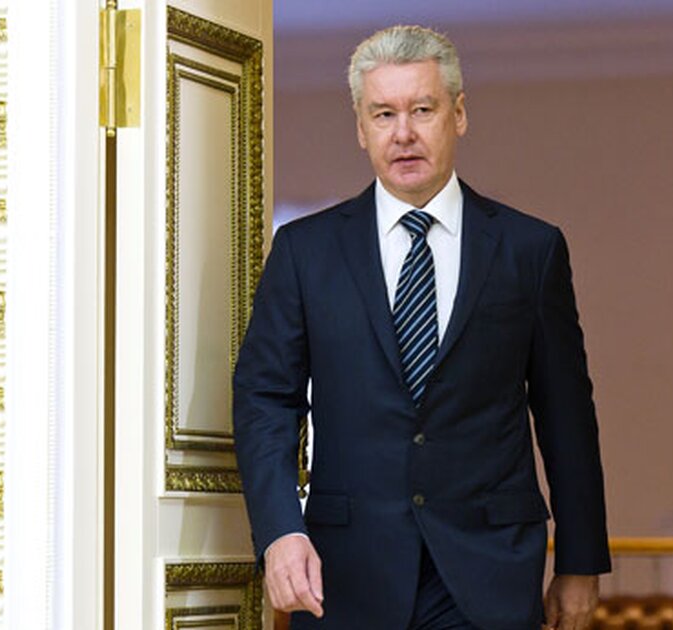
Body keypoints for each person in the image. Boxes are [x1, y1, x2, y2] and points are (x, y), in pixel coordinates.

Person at [233, 25, 611, 630]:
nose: (403, 132)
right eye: (383, 114)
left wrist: (580, 562)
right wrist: (280, 529)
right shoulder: (305, 252)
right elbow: (265, 400)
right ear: (361, 128)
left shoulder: (530, 249)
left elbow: (566, 414)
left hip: (489, 571)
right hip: (346, 574)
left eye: (422, 110)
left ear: (458, 115)